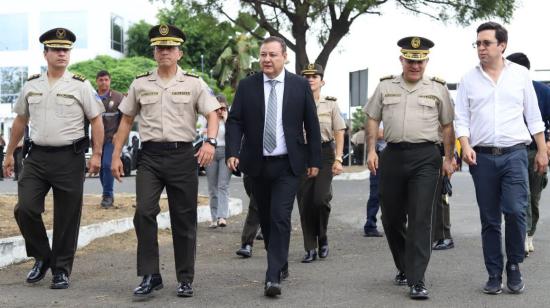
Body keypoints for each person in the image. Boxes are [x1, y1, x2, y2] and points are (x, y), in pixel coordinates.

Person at [111, 24, 220, 298]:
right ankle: (150, 274)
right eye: (160, 48)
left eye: (170, 47)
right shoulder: (140, 83)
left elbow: (213, 114)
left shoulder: (194, 83)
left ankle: (185, 278)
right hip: (150, 157)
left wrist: (210, 142)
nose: (164, 52)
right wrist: (115, 155)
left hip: (182, 156)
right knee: (143, 213)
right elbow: (125, 120)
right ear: (154, 52)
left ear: (179, 53)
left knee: (184, 219)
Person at [2, 27, 104, 289]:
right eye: (56, 49)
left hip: (69, 158)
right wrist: (10, 153)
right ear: (45, 53)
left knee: (67, 216)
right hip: (36, 157)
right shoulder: (31, 84)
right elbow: (21, 120)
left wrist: (98, 154)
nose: (62, 53)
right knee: (25, 208)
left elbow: (96, 120)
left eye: (66, 50)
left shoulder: (80, 85)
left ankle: (61, 270)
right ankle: (42, 256)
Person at [455, 22, 548, 295]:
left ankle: (515, 265)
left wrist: (542, 150)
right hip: (481, 158)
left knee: (516, 212)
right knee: (490, 219)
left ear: (502, 45)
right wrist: (465, 145)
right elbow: (461, 118)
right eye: (478, 44)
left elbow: (533, 116)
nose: (481, 48)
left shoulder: (519, 75)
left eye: (486, 43)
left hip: (515, 154)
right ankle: (494, 273)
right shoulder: (467, 79)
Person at [226, 36, 322, 298]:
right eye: (263, 55)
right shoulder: (247, 86)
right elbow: (235, 121)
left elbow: (311, 124)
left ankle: (272, 277)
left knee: (280, 217)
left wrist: (315, 160)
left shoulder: (299, 85)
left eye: (272, 55)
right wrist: (233, 152)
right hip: (257, 165)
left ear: (284, 57)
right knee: (267, 220)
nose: (267, 59)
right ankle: (280, 262)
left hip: (287, 165)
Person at [365, 36, 455, 299]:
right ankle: (404, 266)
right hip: (392, 155)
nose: (415, 66)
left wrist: (449, 158)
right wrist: (371, 150)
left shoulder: (438, 88)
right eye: (410, 61)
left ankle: (417, 278)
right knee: (391, 219)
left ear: (426, 61)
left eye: (420, 61)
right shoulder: (385, 86)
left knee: (420, 218)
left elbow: (448, 126)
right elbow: (372, 118)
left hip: (426, 157)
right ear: (401, 59)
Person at [297, 63, 346, 262]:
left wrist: (339, 158)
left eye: (314, 76)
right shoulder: (294, 102)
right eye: (306, 76)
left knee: (320, 199)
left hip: (325, 153)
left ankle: (322, 237)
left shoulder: (331, 104)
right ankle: (310, 247)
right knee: (305, 202)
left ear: (321, 81)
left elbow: (339, 132)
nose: (310, 79)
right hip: (302, 154)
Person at [505, 52, 550, 257]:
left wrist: (547, 144)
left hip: (534, 150)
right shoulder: (504, 90)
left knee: (534, 195)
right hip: (513, 151)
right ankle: (521, 236)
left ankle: (529, 235)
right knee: (519, 196)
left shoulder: (542, 90)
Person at [95, 70, 124, 209]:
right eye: (101, 80)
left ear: (110, 81)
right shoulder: (91, 97)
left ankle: (108, 195)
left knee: (107, 164)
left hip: (112, 139)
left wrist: (118, 133)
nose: (104, 82)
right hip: (96, 140)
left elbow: (126, 119)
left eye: (106, 80)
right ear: (97, 81)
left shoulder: (118, 97)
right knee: (101, 168)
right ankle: (106, 193)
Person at [206, 94, 232, 228]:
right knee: (212, 188)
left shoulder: (230, 120)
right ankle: (214, 218)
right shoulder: (210, 119)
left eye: (222, 108)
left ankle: (222, 217)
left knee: (223, 185)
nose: (220, 111)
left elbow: (233, 135)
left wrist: (227, 120)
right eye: (217, 108)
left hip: (226, 153)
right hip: (211, 153)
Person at [363, 125, 385, 237]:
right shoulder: (380, 111)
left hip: (399, 156)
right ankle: (370, 225)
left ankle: (394, 224)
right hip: (379, 156)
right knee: (375, 193)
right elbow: (377, 133)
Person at [235, 174, 262, 258]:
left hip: (279, 168)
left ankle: (247, 243)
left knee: (255, 206)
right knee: (256, 202)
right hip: (253, 168)